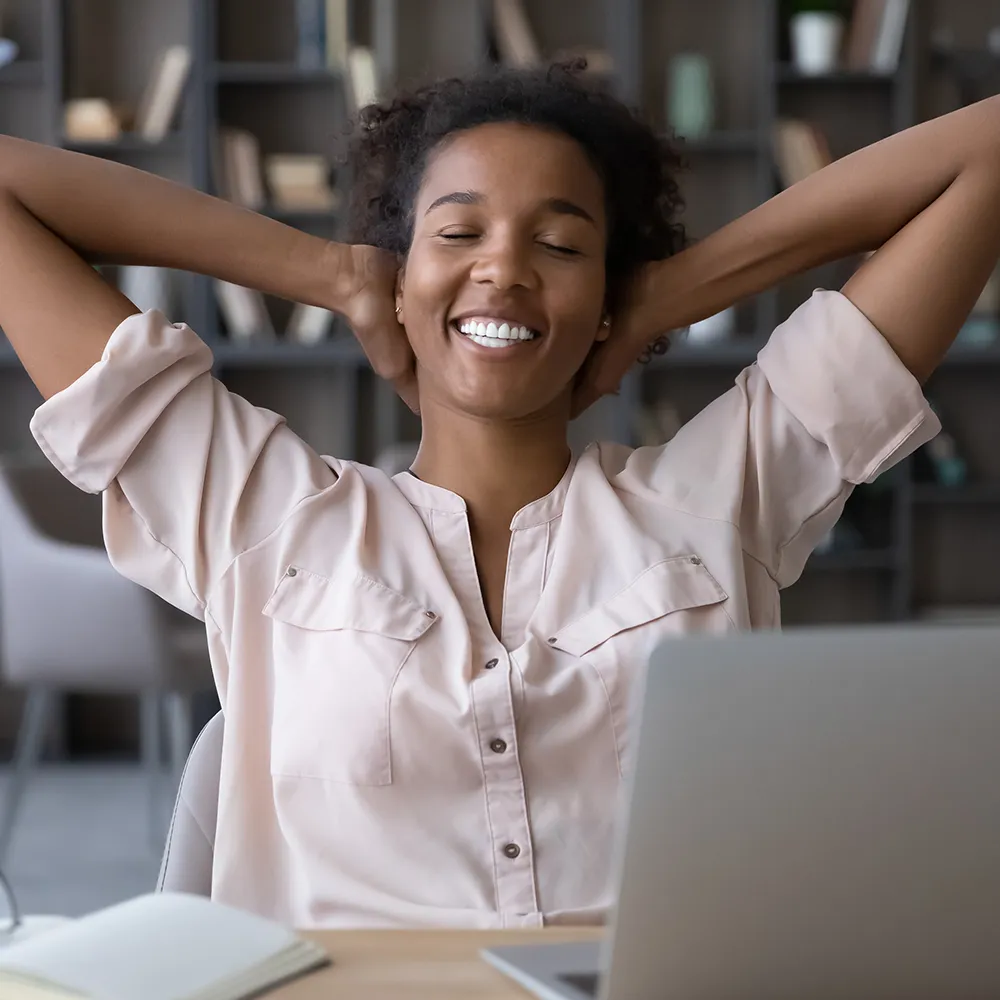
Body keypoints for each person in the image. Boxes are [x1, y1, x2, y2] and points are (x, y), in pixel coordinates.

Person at [1, 63, 998, 929]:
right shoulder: (260, 514)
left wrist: (670, 291)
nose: (504, 268)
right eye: (458, 232)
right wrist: (336, 274)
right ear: (405, 273)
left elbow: (983, 152)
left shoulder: (720, 497)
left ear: (607, 289)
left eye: (560, 246)